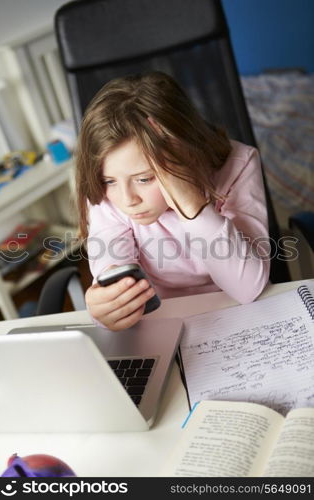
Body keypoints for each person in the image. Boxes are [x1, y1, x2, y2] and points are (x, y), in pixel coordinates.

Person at [76, 71, 270, 331]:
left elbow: (247, 289)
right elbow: (113, 270)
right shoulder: (105, 191)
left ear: (187, 154)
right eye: (109, 181)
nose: (127, 199)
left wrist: (192, 205)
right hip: (161, 322)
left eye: (144, 179)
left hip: (237, 312)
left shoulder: (239, 164)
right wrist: (107, 305)